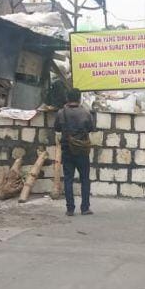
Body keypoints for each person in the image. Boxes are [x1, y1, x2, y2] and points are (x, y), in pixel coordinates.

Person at [53, 88, 95, 217]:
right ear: (79, 98)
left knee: (68, 179)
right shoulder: (86, 113)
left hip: (67, 149)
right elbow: (91, 128)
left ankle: (70, 209)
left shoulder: (61, 113)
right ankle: (85, 208)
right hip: (82, 150)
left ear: (67, 98)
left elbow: (57, 128)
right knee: (84, 179)